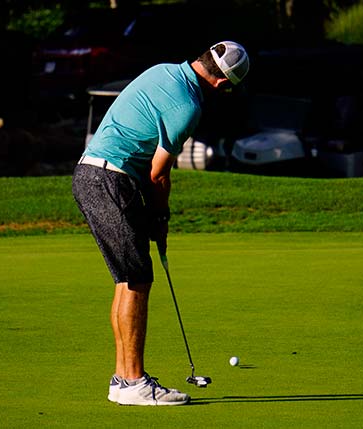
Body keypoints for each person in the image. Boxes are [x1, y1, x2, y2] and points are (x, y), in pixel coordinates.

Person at [71, 41, 249, 406]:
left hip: (90, 174)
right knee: (136, 280)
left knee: (128, 279)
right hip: (111, 179)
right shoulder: (188, 106)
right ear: (221, 85)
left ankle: (123, 380)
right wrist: (160, 217)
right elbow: (157, 174)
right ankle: (135, 382)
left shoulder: (163, 70)